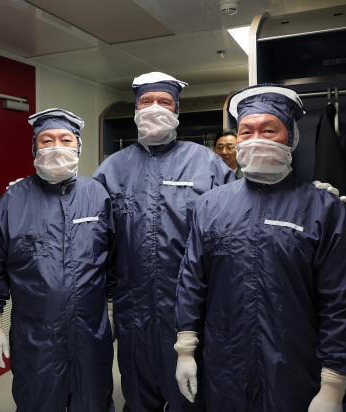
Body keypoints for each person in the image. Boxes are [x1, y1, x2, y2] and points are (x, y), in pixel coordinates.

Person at [174, 84, 346, 412]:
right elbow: (192, 280)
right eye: (246, 131)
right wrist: (186, 348)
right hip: (224, 367)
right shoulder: (210, 206)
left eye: (269, 130)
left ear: (290, 138)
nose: (256, 138)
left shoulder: (322, 209)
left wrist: (334, 382)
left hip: (292, 370)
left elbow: (341, 301)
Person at [92, 72, 235, 412]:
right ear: (136, 110)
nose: (155, 108)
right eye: (146, 102)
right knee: (138, 397)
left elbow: (241, 218)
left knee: (192, 398)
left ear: (177, 110)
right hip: (132, 310)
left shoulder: (207, 164)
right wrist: (41, 193)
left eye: (164, 102)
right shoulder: (112, 168)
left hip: (189, 311)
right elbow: (88, 231)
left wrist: (300, 198)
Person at [0, 108, 116, 411]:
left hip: (90, 334)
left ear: (78, 146)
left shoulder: (97, 195)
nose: (56, 147)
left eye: (65, 139)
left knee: (93, 402)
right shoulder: (14, 200)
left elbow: (112, 259)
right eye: (47, 140)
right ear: (35, 148)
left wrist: (110, 311)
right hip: (36, 339)